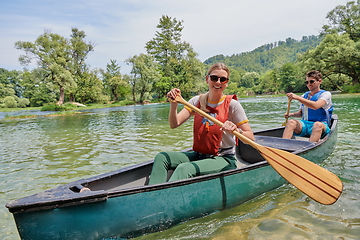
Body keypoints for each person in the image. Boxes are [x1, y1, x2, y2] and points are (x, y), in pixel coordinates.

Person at [148, 63, 254, 185]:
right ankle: (151, 194)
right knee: (162, 157)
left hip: (223, 158)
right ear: (207, 79)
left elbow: (250, 137)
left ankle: (162, 198)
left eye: (223, 79)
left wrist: (236, 130)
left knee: (185, 168)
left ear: (227, 83)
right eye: (214, 78)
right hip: (199, 155)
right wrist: (174, 104)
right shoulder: (196, 101)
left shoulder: (233, 105)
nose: (218, 82)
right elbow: (174, 124)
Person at [282, 70, 333, 142]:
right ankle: (283, 147)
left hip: (321, 125)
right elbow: (302, 113)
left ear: (319, 81)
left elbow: (315, 106)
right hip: (306, 124)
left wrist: (297, 97)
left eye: (311, 81)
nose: (309, 84)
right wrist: (291, 114)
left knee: (317, 125)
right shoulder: (304, 96)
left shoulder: (326, 94)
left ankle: (309, 149)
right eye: (307, 82)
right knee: (291, 122)